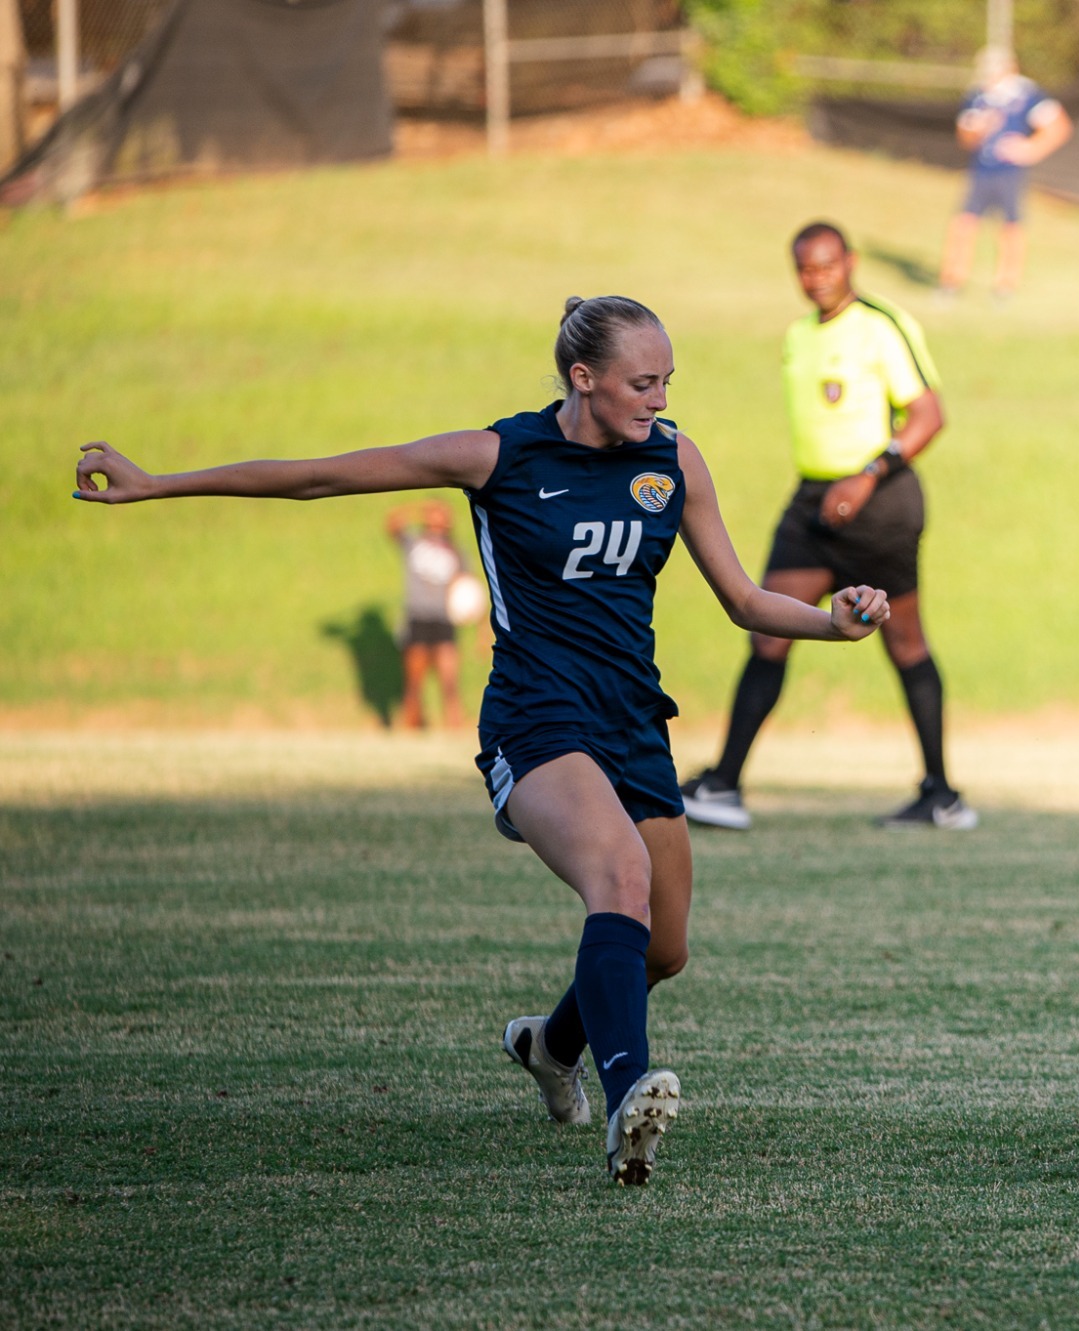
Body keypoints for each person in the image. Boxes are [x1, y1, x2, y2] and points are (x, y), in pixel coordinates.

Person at [71, 295, 891, 1186]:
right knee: (619, 877)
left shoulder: (673, 458)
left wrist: (832, 621)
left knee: (663, 947)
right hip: (537, 716)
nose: (659, 399)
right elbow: (321, 477)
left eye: (667, 381)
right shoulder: (500, 455)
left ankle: (552, 1047)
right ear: (583, 378)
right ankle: (629, 1096)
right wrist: (158, 483)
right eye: (642, 383)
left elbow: (743, 599)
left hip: (633, 718)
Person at [680, 222, 975, 831]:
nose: (817, 279)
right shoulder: (798, 335)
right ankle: (724, 785)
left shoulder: (881, 324)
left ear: (851, 262)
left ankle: (941, 795)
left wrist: (866, 477)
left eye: (827, 265)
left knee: (905, 643)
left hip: (879, 500)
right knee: (766, 630)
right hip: (813, 503)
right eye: (805, 269)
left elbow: (928, 415)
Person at [938, 46, 1072, 303]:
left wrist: (1031, 149)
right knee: (963, 224)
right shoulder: (979, 96)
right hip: (981, 171)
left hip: (1010, 174)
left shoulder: (1027, 95)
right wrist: (978, 129)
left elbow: (1059, 127)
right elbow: (964, 137)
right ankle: (951, 282)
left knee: (1011, 227)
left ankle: (1005, 286)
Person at [385, 499, 468, 729]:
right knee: (414, 682)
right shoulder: (414, 542)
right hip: (418, 617)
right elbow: (392, 525)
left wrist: (481, 628)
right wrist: (415, 508)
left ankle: (455, 728)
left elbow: (468, 587)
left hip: (444, 619)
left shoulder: (456, 551)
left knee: (450, 682)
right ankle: (411, 728)